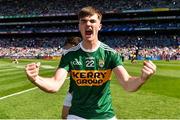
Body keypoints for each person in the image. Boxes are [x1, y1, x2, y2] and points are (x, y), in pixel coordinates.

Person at [25, 6, 156, 119]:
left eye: (92, 21)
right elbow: (55, 84)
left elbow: (127, 83)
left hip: (105, 115)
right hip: (77, 115)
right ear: (79, 26)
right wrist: (36, 79)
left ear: (99, 26)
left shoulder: (110, 53)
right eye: (84, 21)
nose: (88, 24)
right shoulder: (69, 55)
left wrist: (142, 79)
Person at [61, 36, 81, 119]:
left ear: (73, 46)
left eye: (66, 46)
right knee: (64, 116)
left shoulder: (84, 57)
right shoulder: (67, 56)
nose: (64, 48)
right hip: (72, 91)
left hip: (83, 94)